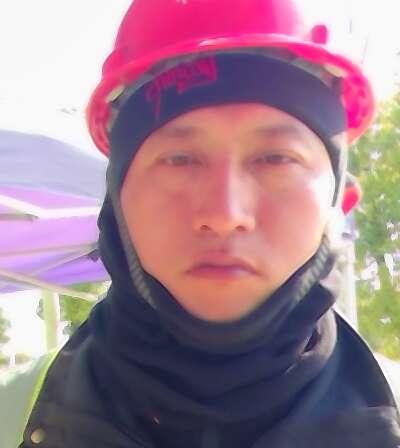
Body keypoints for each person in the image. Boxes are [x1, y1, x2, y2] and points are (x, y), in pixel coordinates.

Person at [1, 0, 400, 447]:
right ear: (117, 199)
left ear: (337, 198)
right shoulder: (8, 415)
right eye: (179, 159)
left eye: (276, 158)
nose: (225, 215)